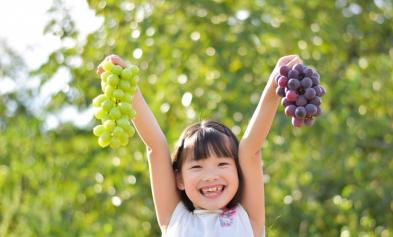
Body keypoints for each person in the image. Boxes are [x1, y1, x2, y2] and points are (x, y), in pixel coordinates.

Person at [96, 54, 303, 237]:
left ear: (239, 172)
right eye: (197, 166)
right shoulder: (174, 218)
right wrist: (126, 83)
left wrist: (274, 85)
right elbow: (156, 147)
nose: (210, 175)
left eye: (222, 164)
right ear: (179, 179)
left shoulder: (248, 219)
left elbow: (250, 150)